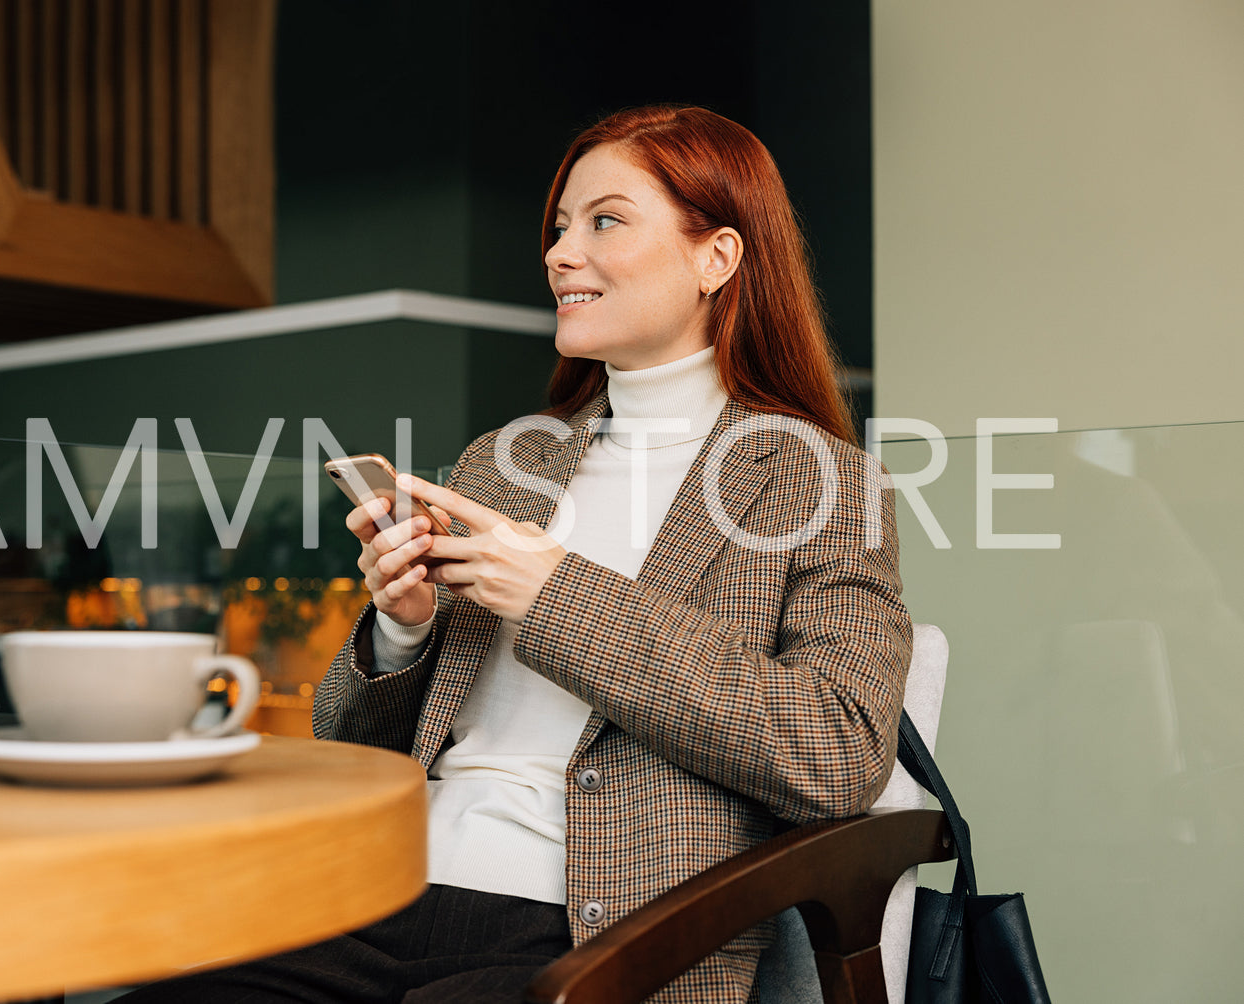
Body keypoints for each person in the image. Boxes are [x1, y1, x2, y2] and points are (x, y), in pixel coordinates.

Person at [118, 104, 911, 1004]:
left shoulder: (817, 480)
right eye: (560, 227)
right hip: (379, 899)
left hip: (596, 935)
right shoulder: (509, 459)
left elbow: (837, 754)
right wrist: (401, 634)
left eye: (604, 220)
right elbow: (347, 739)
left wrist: (555, 597)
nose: (560, 253)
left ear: (715, 257)